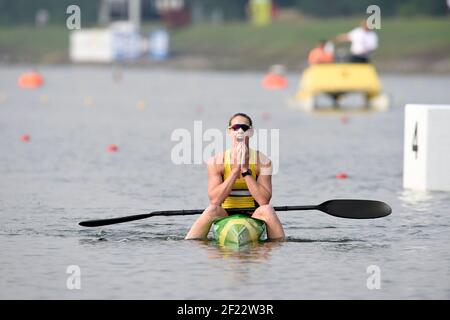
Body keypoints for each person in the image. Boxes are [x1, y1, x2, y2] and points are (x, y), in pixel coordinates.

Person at [185, 113, 285, 241]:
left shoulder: (264, 162)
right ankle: (189, 244)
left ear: (251, 132)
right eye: (236, 127)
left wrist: (244, 170)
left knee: (268, 210)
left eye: (244, 127)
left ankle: (280, 245)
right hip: (225, 214)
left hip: (254, 214)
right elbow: (215, 200)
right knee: (211, 209)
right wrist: (235, 171)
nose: (240, 131)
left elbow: (263, 201)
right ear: (229, 131)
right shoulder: (215, 162)